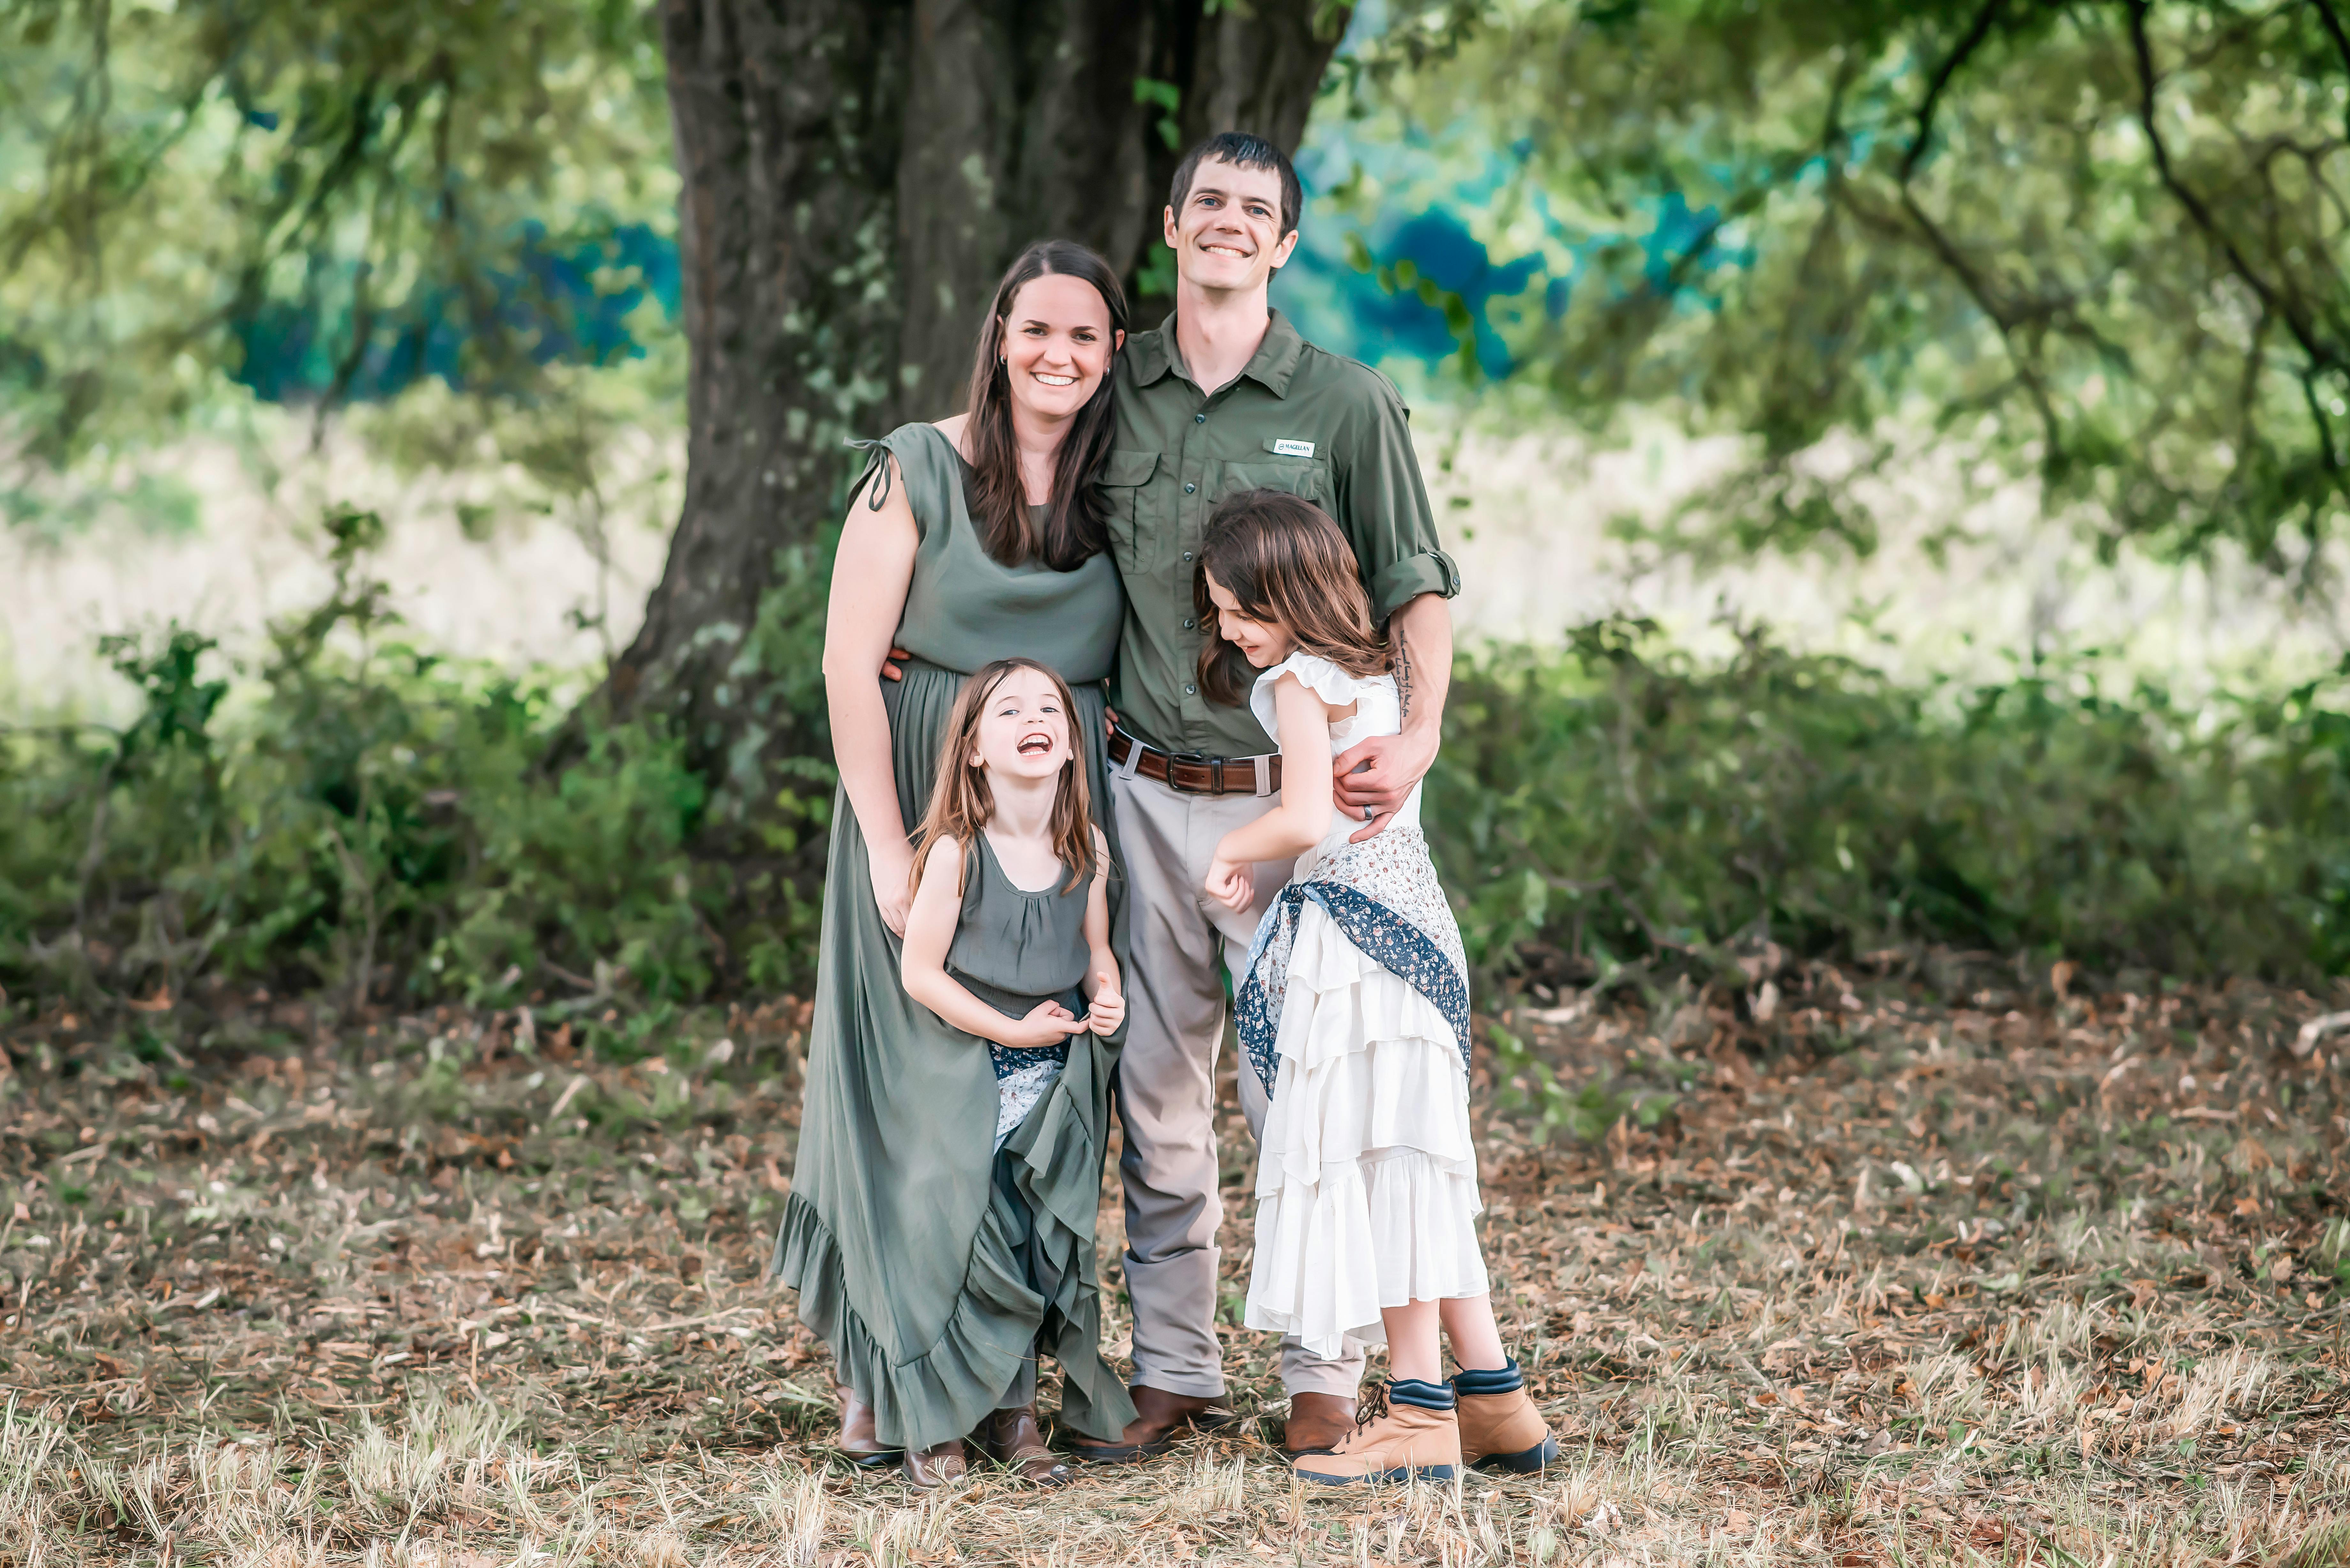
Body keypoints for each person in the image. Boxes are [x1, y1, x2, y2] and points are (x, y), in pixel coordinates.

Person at [1067, 131, 1463, 1463]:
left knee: (1306, 1095)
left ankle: (1325, 1372)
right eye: (1209, 204)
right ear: (1170, 227)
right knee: (1159, 1095)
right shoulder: (1115, 389)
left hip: (1300, 811)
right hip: (1143, 790)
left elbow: (1414, 583)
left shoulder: (1343, 402)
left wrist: (1419, 735)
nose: (1231, 222)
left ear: (1284, 244)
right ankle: (1173, 1367)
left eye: (1258, 209)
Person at [772, 240, 1139, 1490]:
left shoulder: (1121, 481)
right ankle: (880, 1382)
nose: (1059, 355)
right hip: (927, 796)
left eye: (1085, 336)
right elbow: (844, 663)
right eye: (1037, 329)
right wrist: (889, 841)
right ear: (997, 334)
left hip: (1062, 810)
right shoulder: (913, 467)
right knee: (914, 1100)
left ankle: (998, 1384)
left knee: (1037, 1096)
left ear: (1114, 354)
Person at [1199, 490, 1556, 1483]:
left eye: (1242, 611)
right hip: (1424, 933)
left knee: (1381, 1162)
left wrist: (1233, 846)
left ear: (1290, 593)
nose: (1229, 632)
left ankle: (1416, 1411)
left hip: (1354, 947)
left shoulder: (1299, 686)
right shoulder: (1395, 674)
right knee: (1420, 1158)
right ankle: (1496, 1400)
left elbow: (1307, 817)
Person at [896, 656, 1129, 1488]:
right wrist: (1010, 1030)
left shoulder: (1085, 849)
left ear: (1071, 744)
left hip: (1053, 1080)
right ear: (972, 750)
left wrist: (1105, 997)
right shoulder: (958, 851)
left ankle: (1016, 1418)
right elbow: (921, 974)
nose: (1034, 719)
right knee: (963, 1245)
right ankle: (938, 1425)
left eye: (1049, 710)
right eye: (1008, 711)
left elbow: (1096, 953)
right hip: (967, 1070)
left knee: (1032, 1245)